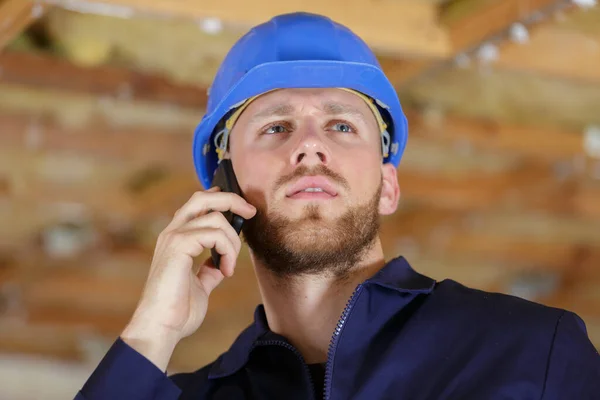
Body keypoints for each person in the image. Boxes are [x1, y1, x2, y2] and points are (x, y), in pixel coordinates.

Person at [74, 12, 600, 400]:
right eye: (276, 126)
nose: (309, 145)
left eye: (341, 125)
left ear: (388, 185)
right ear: (223, 186)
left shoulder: (533, 353)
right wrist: (151, 332)